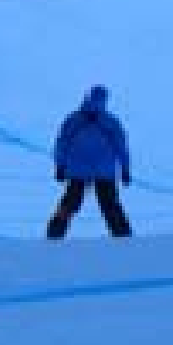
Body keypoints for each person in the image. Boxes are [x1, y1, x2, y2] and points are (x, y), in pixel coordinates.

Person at [47, 84, 132, 239]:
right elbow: (121, 146)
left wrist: (60, 166)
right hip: (104, 171)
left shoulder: (73, 119)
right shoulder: (110, 121)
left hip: (77, 170)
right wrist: (125, 170)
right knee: (110, 206)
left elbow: (61, 143)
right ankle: (123, 238)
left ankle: (54, 234)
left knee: (69, 203)